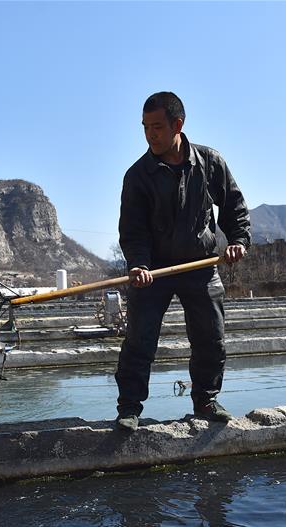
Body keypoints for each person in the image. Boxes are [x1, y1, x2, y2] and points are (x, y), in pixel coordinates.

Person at [115, 91, 250, 431]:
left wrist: (237, 241)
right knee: (139, 339)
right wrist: (139, 264)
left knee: (210, 337)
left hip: (200, 266)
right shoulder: (138, 176)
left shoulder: (210, 162)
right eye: (145, 127)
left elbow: (234, 207)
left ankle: (205, 400)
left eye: (157, 127)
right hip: (154, 271)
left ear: (178, 125)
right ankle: (129, 409)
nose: (150, 134)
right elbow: (133, 231)